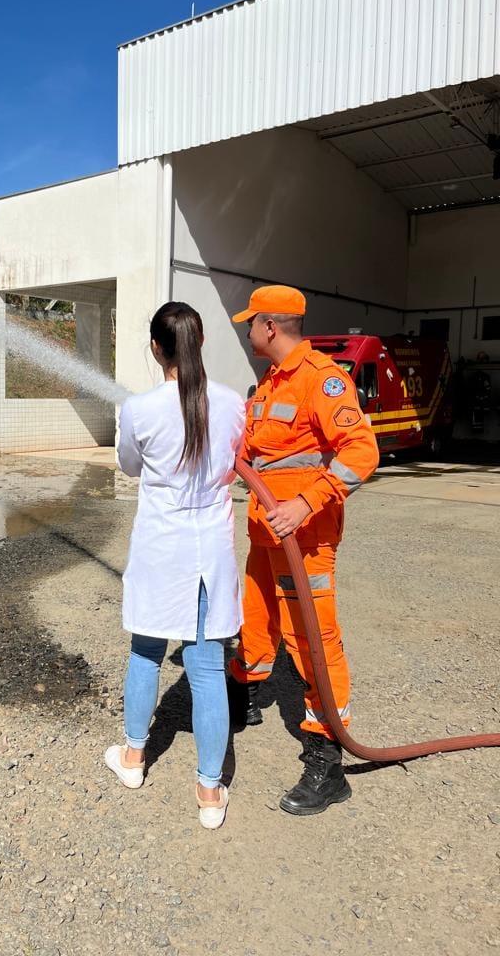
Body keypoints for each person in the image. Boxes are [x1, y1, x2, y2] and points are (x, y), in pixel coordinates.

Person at [228, 285, 379, 815]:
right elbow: (254, 454)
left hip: (304, 535)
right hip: (265, 531)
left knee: (313, 636)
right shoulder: (268, 383)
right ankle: (243, 695)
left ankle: (327, 755)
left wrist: (306, 502)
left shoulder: (323, 379)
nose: (247, 331)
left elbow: (361, 452)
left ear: (270, 327)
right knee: (254, 615)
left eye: (251, 323)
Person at [105, 301, 246, 829]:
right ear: (201, 344)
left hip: (160, 549)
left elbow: (128, 464)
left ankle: (134, 758)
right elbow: (234, 458)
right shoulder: (233, 404)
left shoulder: (139, 409)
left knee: (145, 652)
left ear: (156, 348)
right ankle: (210, 792)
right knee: (207, 670)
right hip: (209, 552)